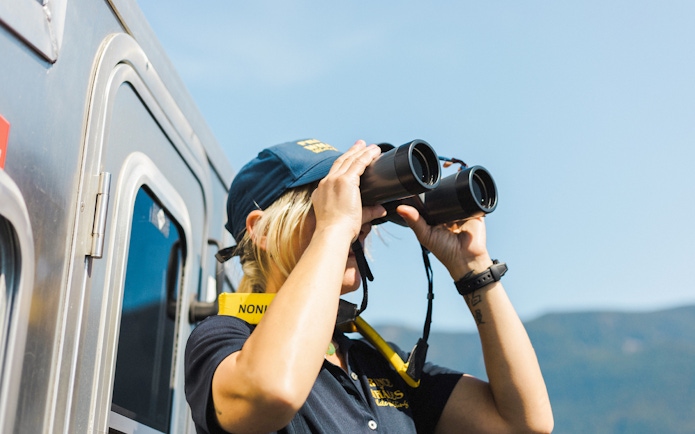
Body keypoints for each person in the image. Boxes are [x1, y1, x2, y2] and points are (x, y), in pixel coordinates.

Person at [184, 138, 554, 434]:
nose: (358, 223)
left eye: (360, 205)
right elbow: (272, 391)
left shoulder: (376, 365)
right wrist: (334, 228)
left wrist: (474, 269)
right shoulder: (225, 340)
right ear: (261, 231)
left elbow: (523, 424)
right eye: (330, 202)